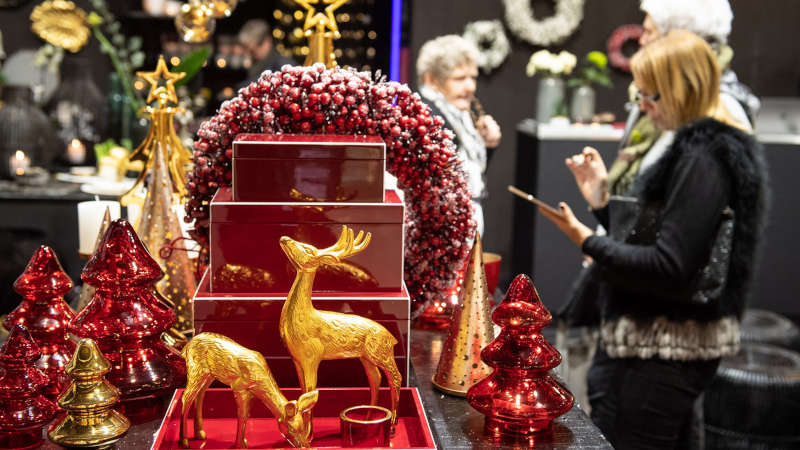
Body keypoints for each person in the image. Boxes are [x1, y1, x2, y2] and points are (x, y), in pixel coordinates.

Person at [539, 30, 769, 449]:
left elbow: (670, 262)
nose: (643, 107)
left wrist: (588, 240)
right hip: (653, 343)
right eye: (639, 95)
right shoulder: (690, 147)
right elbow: (664, 234)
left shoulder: (705, 158)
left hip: (663, 349)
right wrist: (601, 204)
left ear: (684, 89)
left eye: (652, 96)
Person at [416, 35, 502, 236]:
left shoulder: (456, 114)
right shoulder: (428, 117)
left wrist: (488, 146)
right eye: (460, 78)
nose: (470, 86)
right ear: (432, 80)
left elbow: (468, 175)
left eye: (473, 77)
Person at [238, 19, 295, 84]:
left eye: (252, 51)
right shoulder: (258, 63)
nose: (248, 54)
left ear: (267, 41)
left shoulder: (283, 66)